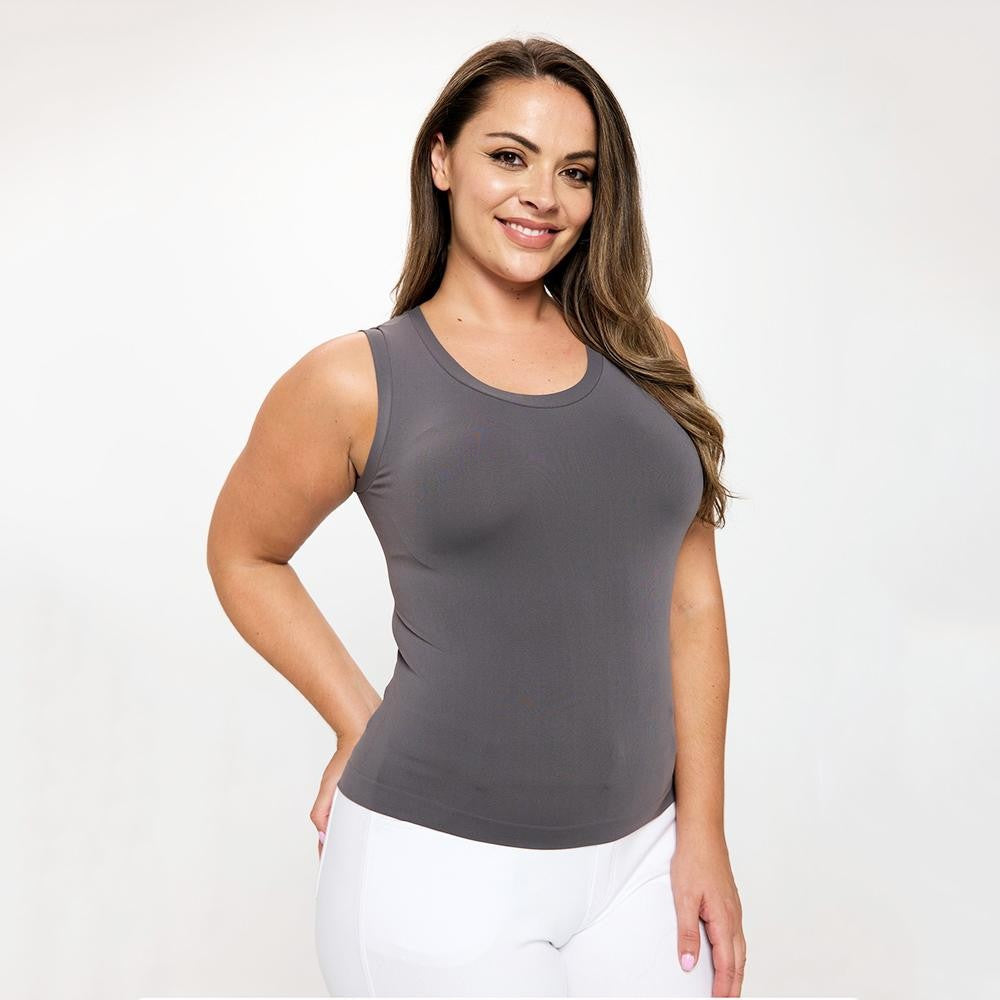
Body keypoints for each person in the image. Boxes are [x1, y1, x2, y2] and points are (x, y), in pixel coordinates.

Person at [207, 35, 746, 999]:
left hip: (643, 862)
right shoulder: (356, 380)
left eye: (575, 172)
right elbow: (243, 553)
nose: (543, 196)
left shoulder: (649, 354)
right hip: (430, 868)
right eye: (510, 156)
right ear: (442, 159)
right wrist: (357, 718)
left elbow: (692, 602)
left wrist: (702, 831)